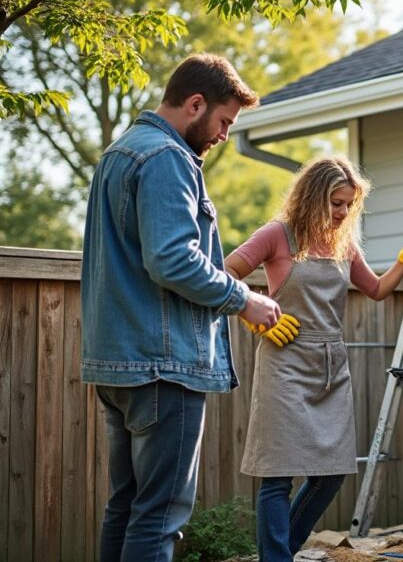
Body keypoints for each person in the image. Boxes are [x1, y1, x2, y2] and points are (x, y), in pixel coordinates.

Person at [81, 54, 283, 561]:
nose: (221, 136)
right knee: (160, 516)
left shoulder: (119, 152)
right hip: (161, 365)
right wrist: (243, 299)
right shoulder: (166, 158)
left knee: (126, 508)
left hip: (120, 362)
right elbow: (172, 259)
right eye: (222, 122)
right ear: (195, 104)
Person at [226, 156, 403, 561]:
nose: (343, 212)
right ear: (312, 197)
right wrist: (253, 316)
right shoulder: (279, 235)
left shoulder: (345, 243)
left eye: (349, 204)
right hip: (285, 361)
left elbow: (377, 290)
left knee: (331, 473)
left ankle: (281, 551)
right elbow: (225, 273)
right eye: (336, 203)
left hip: (331, 365)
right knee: (277, 476)